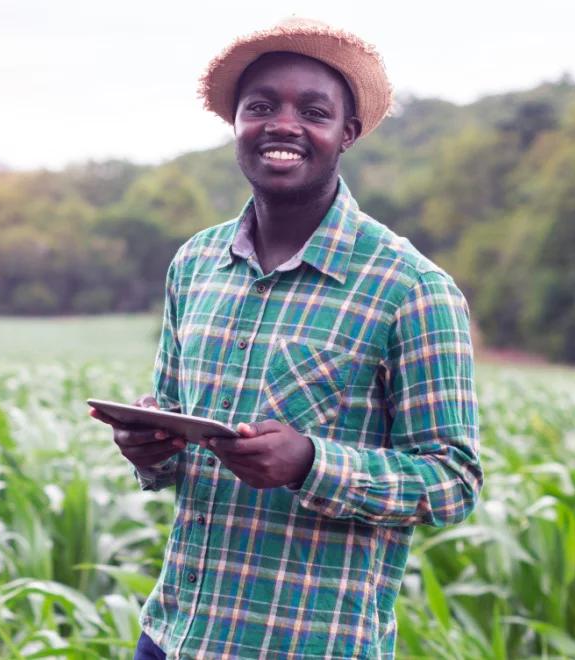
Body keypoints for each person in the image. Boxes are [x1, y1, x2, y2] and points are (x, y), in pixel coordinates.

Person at [90, 18, 482, 659]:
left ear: (346, 134)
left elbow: (452, 481)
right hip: (173, 635)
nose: (282, 125)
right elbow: (173, 447)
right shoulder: (195, 263)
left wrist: (310, 464)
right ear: (237, 124)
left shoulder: (410, 287)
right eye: (261, 106)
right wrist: (146, 446)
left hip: (308, 645)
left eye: (314, 111)